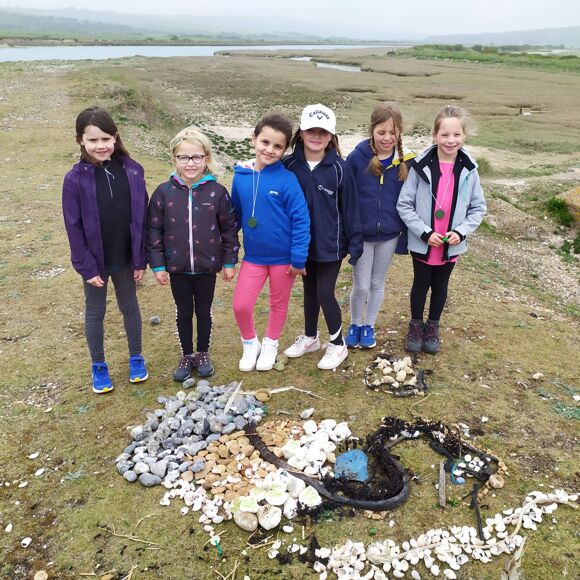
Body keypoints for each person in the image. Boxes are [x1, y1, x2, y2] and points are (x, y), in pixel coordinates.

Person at [62, 106, 148, 394]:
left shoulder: (133, 170)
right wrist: (86, 266)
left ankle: (136, 357)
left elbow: (142, 216)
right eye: (93, 140)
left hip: (126, 257)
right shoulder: (74, 179)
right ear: (80, 140)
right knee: (95, 312)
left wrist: (140, 258)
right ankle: (98, 364)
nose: (100, 145)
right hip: (95, 262)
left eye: (105, 139)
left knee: (130, 306)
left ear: (115, 137)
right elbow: (73, 227)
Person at [147, 127, 239, 380]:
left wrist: (229, 261)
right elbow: (153, 230)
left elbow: (229, 229)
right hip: (177, 268)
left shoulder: (217, 192)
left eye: (196, 157)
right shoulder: (163, 193)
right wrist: (158, 265)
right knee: (184, 312)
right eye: (184, 157)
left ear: (206, 158)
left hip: (207, 267)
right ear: (174, 159)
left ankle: (203, 352)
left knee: (204, 311)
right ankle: (187, 354)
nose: (190, 163)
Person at [397, 105, 487, 354]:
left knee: (441, 286)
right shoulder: (419, 166)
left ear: (464, 135)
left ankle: (432, 327)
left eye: (456, 134)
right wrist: (424, 232)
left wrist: (461, 232)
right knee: (420, 284)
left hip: (451, 244)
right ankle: (416, 326)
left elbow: (478, 208)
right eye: (444, 134)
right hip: (423, 242)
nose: (450, 140)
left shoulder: (470, 170)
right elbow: (404, 204)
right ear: (435, 135)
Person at [282, 104, 363, 370]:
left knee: (325, 292)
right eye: (311, 130)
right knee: (309, 291)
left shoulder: (340, 168)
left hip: (331, 244)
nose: (316, 136)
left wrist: (355, 242)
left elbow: (350, 207)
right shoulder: (288, 165)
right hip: (300, 244)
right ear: (301, 132)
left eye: (323, 132)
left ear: (331, 136)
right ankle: (310, 338)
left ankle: (338, 344)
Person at [231, 113, 310, 372]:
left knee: (278, 304)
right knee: (241, 305)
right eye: (265, 142)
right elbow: (234, 217)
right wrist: (227, 254)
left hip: (283, 259)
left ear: (284, 149)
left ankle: (271, 343)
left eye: (278, 146)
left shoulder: (287, 180)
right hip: (253, 257)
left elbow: (301, 220)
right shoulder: (240, 176)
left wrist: (298, 258)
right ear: (253, 139)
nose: (270, 150)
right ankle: (250, 343)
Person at [345, 103, 415, 349]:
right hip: (362, 235)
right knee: (361, 285)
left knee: (377, 283)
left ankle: (369, 326)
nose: (387, 138)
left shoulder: (406, 161)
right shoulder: (356, 158)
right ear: (372, 130)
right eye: (381, 132)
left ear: (400, 132)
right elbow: (346, 195)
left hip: (389, 235)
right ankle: (355, 324)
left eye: (393, 132)